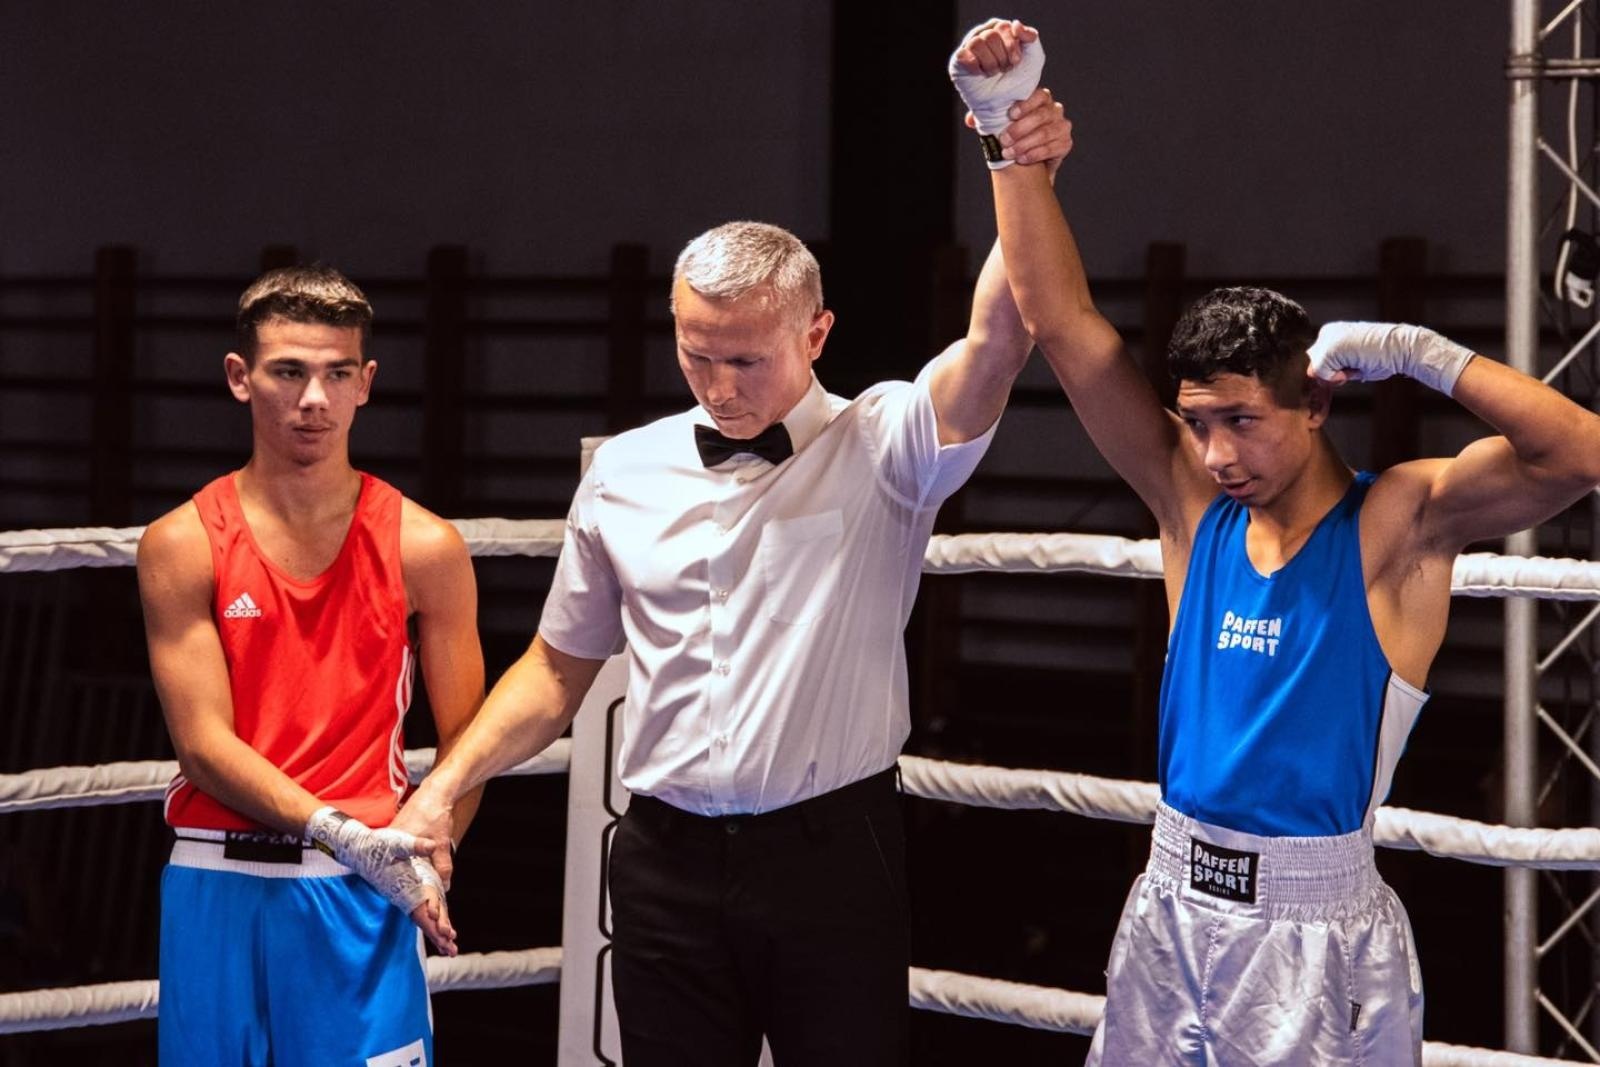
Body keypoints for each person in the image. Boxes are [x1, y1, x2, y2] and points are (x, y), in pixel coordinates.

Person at [390, 50, 1071, 1067]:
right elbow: (557, 666)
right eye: (694, 353)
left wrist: (1010, 149)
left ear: (818, 332)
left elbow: (1002, 337)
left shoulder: (883, 442)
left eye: (747, 357)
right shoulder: (625, 469)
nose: (718, 386)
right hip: (662, 854)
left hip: (834, 851)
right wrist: (442, 788)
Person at [949, 23, 1600, 1066]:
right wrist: (1005, 137)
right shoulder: (1190, 505)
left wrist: (1419, 354)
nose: (1212, 450)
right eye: (1196, 420)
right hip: (1168, 900)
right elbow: (1061, 320)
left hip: (1314, 923)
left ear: (1312, 407)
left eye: (1240, 421)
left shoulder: (1400, 523)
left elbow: (1579, 452)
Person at [136, 265, 486, 1065]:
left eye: (335, 374)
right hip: (215, 884)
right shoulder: (182, 542)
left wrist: (432, 858)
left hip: (357, 898)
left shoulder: (425, 547)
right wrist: (336, 829)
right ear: (241, 377)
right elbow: (202, 743)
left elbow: (469, 747)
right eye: (289, 371)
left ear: (366, 383)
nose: (314, 399)